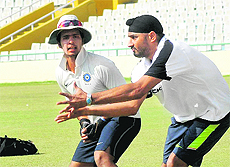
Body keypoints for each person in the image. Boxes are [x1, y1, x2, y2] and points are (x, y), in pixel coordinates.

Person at [55, 15, 230, 167]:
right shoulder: (142, 68)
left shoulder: (172, 51)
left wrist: (89, 99)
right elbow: (131, 106)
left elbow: (137, 90)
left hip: (213, 115)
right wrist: (86, 111)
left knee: (175, 163)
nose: (128, 43)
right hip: (183, 119)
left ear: (151, 37)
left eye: (133, 37)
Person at [49, 15, 141, 167]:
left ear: (82, 40)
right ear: (59, 44)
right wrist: (84, 122)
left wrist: (102, 120)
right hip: (96, 124)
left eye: (75, 36)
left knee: (102, 158)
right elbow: (77, 105)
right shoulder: (60, 72)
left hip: (123, 117)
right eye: (65, 37)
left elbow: (126, 100)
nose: (71, 41)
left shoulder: (102, 65)